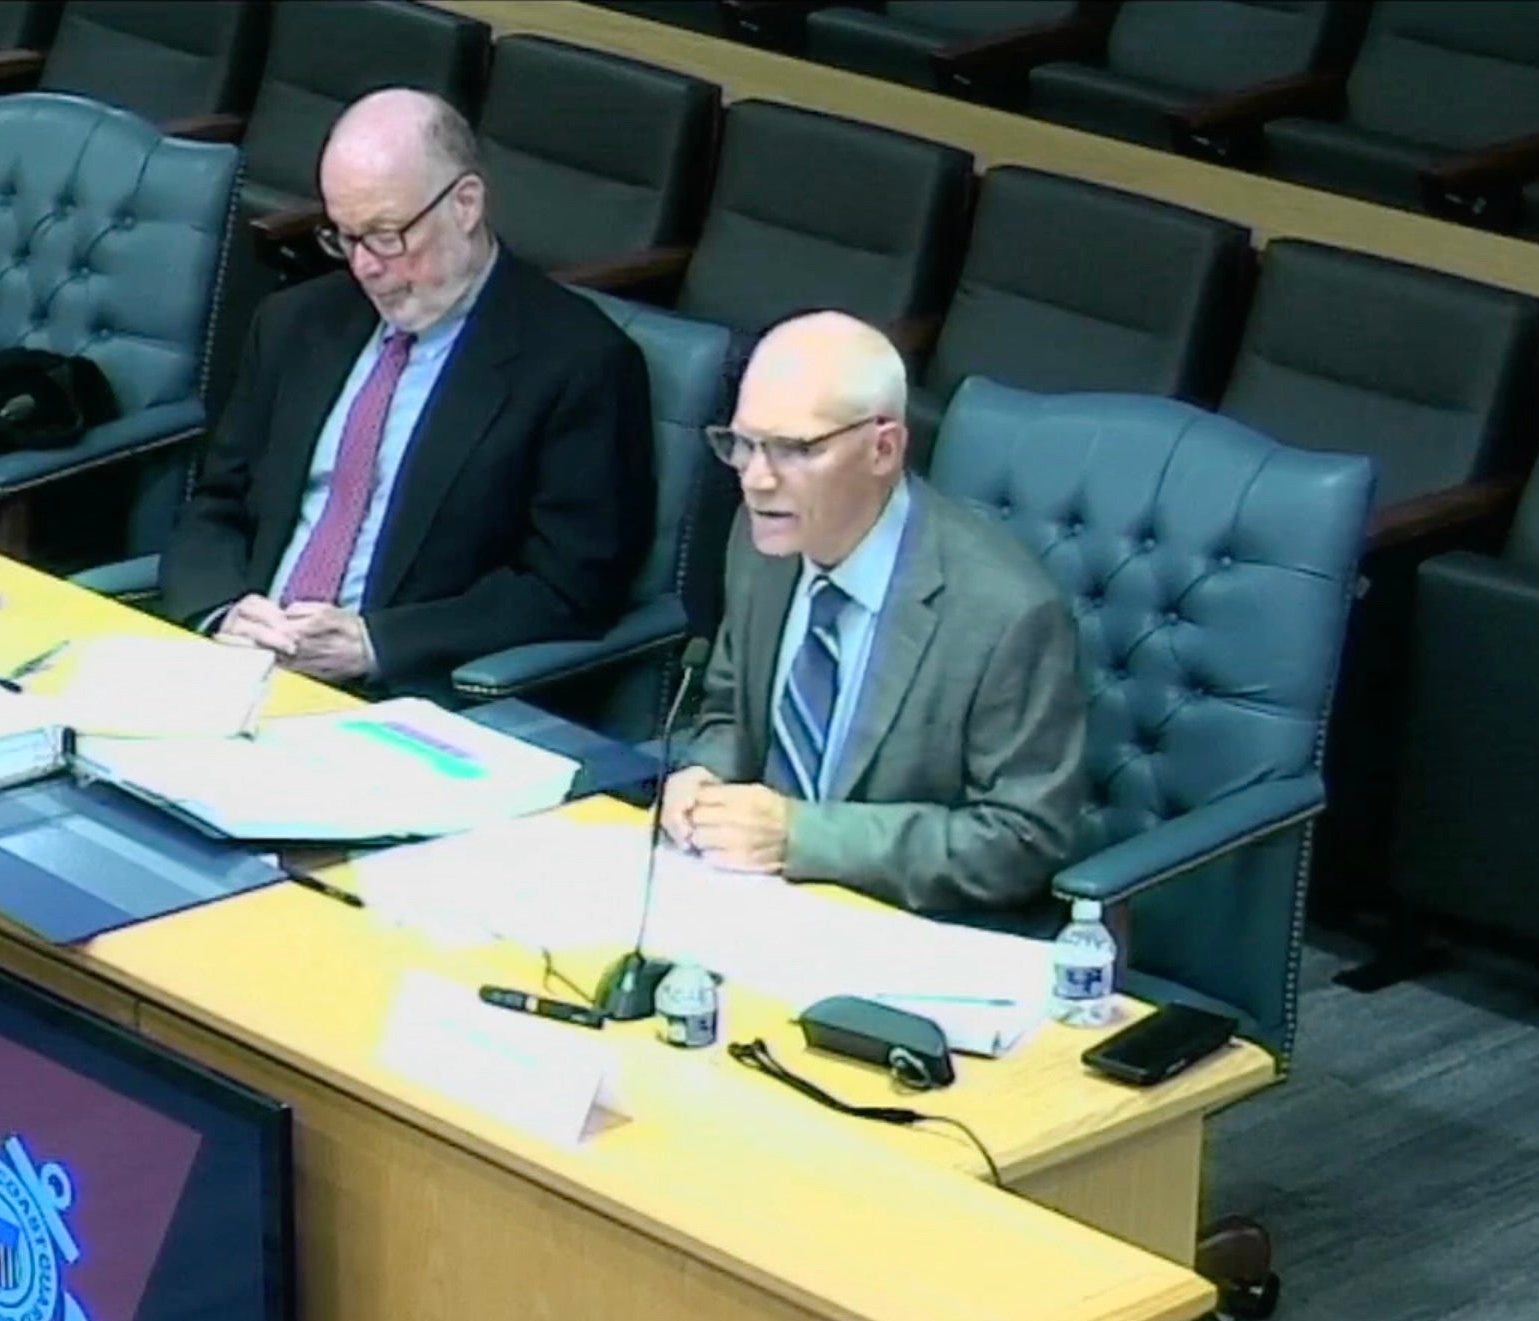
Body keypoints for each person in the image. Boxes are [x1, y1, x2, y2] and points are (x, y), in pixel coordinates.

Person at [157, 89, 654, 693]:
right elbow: (217, 504)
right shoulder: (297, 323)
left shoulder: (578, 363)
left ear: (465, 204)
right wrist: (223, 609)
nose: (364, 265)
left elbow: (568, 589)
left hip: (402, 697)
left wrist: (378, 644)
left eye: (386, 235)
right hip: (238, 668)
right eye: (343, 236)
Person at [664, 312, 1087, 919]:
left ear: (883, 448)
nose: (756, 479)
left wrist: (803, 838)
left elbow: (1020, 840)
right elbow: (731, 709)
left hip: (902, 927)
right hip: (744, 896)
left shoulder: (1007, 614)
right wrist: (704, 777)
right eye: (743, 444)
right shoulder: (765, 544)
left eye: (796, 449)